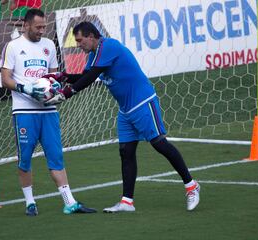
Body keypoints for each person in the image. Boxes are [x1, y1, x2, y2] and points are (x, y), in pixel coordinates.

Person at [45, 21, 201, 212]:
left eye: (80, 40)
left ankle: (191, 186)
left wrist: (66, 93)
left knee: (160, 144)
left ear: (91, 37)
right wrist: (62, 76)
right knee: (126, 152)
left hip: (143, 102)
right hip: (126, 110)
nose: (79, 45)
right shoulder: (94, 55)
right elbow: (85, 76)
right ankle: (127, 202)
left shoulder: (109, 46)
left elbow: (91, 77)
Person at [0, 9, 96, 216]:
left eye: (44, 27)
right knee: (25, 158)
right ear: (25, 25)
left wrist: (55, 91)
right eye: (38, 27)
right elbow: (6, 79)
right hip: (24, 111)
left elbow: (54, 76)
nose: (42, 31)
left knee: (56, 156)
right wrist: (25, 89)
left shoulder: (49, 45)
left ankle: (69, 202)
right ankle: (30, 202)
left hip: (48, 110)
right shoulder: (13, 46)